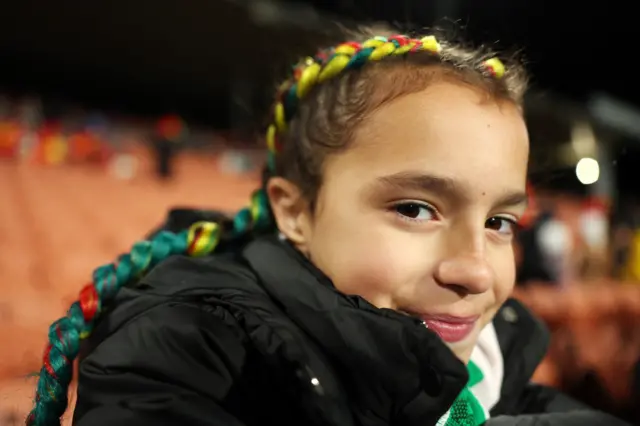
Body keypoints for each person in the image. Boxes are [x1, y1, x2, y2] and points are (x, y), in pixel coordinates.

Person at [27, 29, 629, 426]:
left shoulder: (498, 354)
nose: (474, 270)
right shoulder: (187, 347)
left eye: (500, 221)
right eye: (415, 209)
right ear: (295, 212)